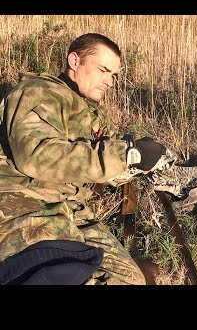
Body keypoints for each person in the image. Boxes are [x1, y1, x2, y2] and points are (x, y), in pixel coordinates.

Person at [0, 33, 176, 285]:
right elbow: (36, 156)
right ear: (75, 61)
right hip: (24, 204)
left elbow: (109, 165)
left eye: (113, 75)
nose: (110, 82)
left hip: (74, 210)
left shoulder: (94, 113)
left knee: (128, 279)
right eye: (103, 70)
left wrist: (140, 159)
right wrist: (126, 154)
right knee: (56, 274)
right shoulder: (38, 92)